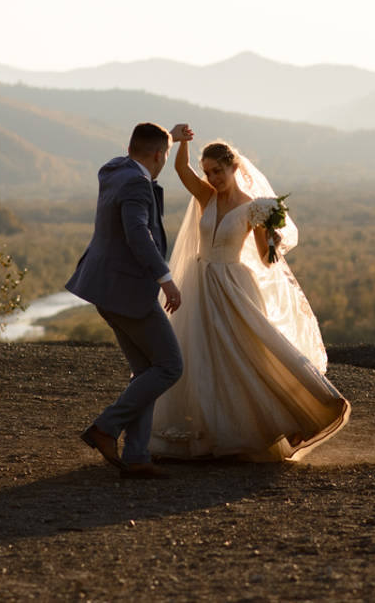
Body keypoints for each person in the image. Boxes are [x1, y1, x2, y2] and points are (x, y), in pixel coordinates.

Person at [150, 127, 350, 461]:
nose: (213, 177)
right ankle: (209, 433)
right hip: (200, 281)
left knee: (251, 352)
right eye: (209, 171)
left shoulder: (252, 208)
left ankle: (304, 411)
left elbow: (265, 257)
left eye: (219, 171)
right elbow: (181, 171)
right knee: (202, 356)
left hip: (233, 284)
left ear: (234, 168)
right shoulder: (206, 198)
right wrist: (181, 142)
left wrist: (271, 234)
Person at [66, 122, 188, 479]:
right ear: (157, 156)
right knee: (169, 366)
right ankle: (106, 427)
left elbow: (145, 146)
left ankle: (136, 456)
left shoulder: (115, 168)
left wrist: (170, 137)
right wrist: (166, 280)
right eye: (164, 154)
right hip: (128, 291)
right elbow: (138, 234)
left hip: (104, 287)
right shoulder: (136, 183)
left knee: (146, 371)